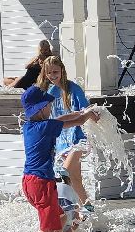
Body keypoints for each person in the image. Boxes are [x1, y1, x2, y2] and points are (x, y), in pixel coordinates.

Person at [18, 77, 101, 232]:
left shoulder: (32, 126)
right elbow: (76, 122)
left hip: (31, 181)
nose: (50, 108)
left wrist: (83, 112)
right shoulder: (44, 127)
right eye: (48, 106)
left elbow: (64, 118)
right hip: (41, 183)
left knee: (61, 218)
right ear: (39, 109)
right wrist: (87, 115)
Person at [37, 56, 94, 213]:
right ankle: (89, 209)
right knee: (76, 180)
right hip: (63, 141)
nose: (53, 75)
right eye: (49, 73)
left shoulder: (74, 89)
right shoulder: (50, 91)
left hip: (79, 139)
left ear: (62, 70)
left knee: (64, 171)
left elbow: (86, 110)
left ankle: (66, 211)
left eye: (56, 71)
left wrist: (94, 115)